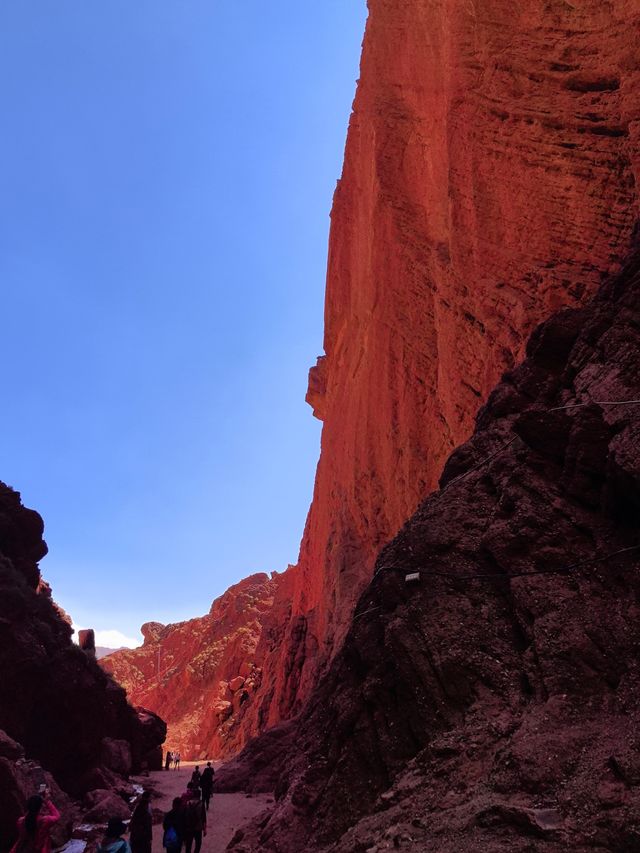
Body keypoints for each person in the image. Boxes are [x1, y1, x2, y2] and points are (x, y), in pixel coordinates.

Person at [182, 789, 206, 853]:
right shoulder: (201, 804)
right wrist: (204, 829)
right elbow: (203, 817)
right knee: (198, 844)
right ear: (199, 795)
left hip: (189, 827)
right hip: (198, 827)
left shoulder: (187, 803)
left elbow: (184, 816)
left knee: (188, 844)